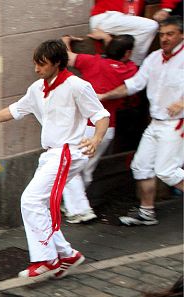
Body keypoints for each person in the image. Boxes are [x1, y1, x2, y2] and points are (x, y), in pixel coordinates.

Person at [0, 39, 109, 279]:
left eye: (41, 64)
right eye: (35, 64)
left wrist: (96, 139)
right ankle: (66, 254)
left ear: (58, 63)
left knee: (31, 200)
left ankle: (46, 260)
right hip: (52, 154)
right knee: (37, 204)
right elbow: (13, 111)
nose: (36, 69)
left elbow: (101, 115)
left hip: (68, 152)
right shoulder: (37, 89)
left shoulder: (77, 86)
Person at [97, 17, 184, 226]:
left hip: (177, 124)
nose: (164, 38)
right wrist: (104, 96)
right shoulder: (154, 58)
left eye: (170, 34)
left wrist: (182, 102)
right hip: (155, 123)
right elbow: (133, 84)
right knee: (141, 166)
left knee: (167, 171)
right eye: (162, 34)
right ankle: (146, 213)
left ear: (181, 35)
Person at [60, 33, 138, 223]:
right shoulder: (130, 69)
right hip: (107, 129)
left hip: (85, 126)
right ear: (127, 53)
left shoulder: (91, 62)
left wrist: (65, 41)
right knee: (86, 169)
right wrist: (107, 40)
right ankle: (71, 205)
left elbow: (66, 57)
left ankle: (80, 210)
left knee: (69, 167)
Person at [89, 0, 173, 64]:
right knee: (150, 26)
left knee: (144, 30)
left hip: (121, 23)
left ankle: (129, 68)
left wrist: (166, 9)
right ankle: (132, 67)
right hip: (106, 16)